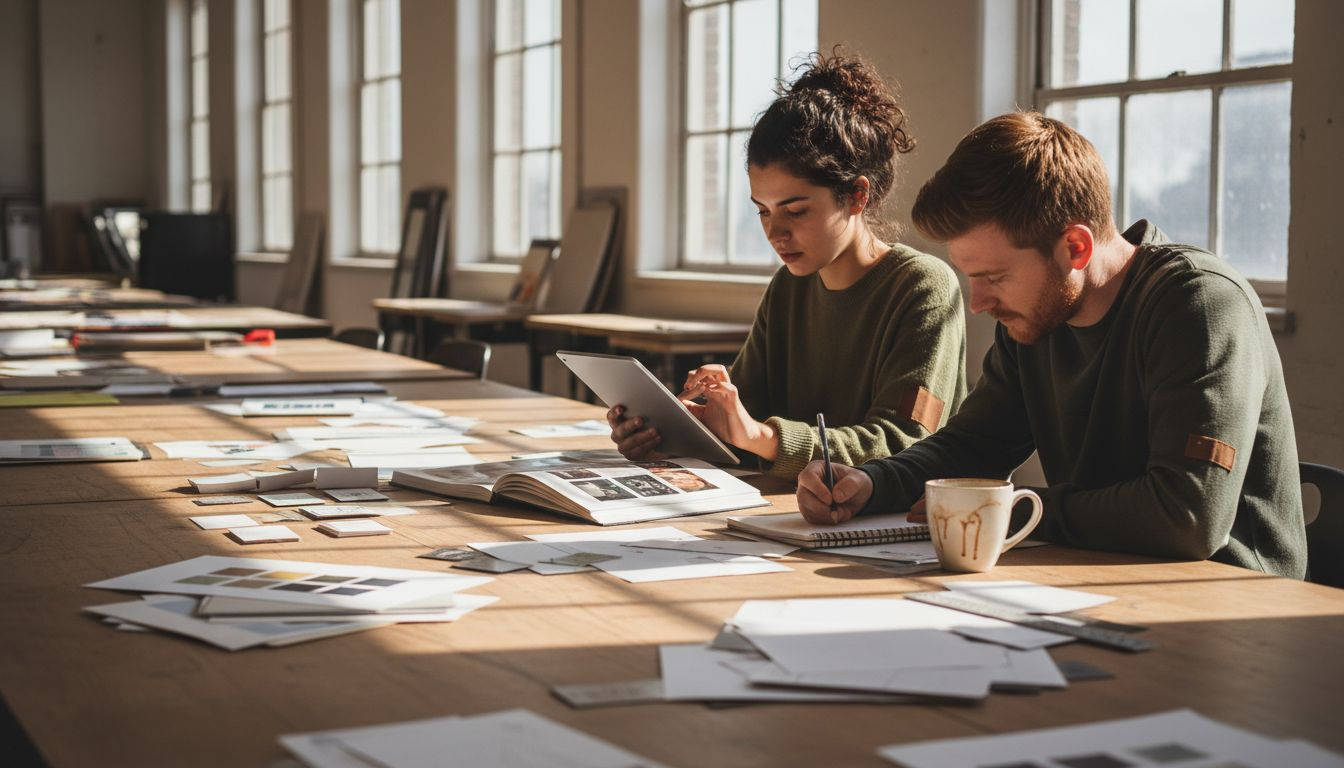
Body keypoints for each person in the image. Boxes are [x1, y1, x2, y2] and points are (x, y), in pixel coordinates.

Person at [796, 112, 1307, 578]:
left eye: (994, 275)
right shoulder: (1036, 317)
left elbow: (1188, 515)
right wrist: (871, 482)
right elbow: (975, 444)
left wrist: (1020, 509)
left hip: (1229, 598)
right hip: (1098, 577)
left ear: (1076, 247)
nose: (977, 302)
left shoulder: (1200, 306)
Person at [607, 53, 968, 480]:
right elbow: (742, 426)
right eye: (763, 211)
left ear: (857, 196)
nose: (775, 232)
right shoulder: (789, 286)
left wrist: (760, 436)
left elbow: (904, 440)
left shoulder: (922, 287)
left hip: (890, 529)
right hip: (791, 515)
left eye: (794, 211)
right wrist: (675, 428)